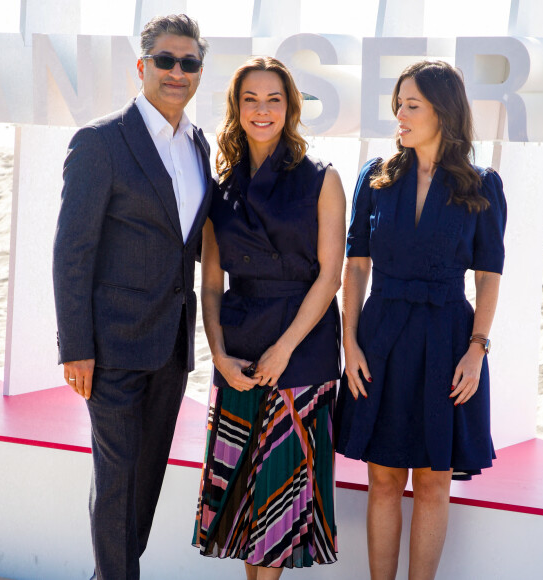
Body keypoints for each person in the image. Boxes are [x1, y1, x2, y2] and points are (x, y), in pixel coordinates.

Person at [52, 14, 212, 579]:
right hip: (112, 348)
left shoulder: (198, 144)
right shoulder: (100, 142)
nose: (177, 72)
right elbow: (72, 252)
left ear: (199, 71)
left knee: (143, 487)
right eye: (165, 61)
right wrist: (75, 347)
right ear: (141, 66)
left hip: (169, 351)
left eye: (189, 63)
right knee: (116, 486)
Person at [334, 60, 507, 579]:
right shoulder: (377, 177)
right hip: (380, 335)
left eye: (413, 105)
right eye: (398, 105)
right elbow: (356, 266)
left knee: (433, 481)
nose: (400, 116)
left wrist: (478, 350)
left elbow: (489, 277)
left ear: (444, 112)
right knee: (384, 479)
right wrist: (351, 344)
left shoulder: (482, 184)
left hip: (449, 339)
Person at [192, 56, 345, 579]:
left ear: (290, 107)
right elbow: (211, 284)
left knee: (279, 504)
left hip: (303, 350)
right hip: (237, 351)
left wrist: (284, 349)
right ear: (236, 108)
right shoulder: (220, 189)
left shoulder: (322, 179)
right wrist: (217, 354)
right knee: (246, 504)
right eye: (250, 99)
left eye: (274, 99)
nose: (262, 110)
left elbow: (330, 278)